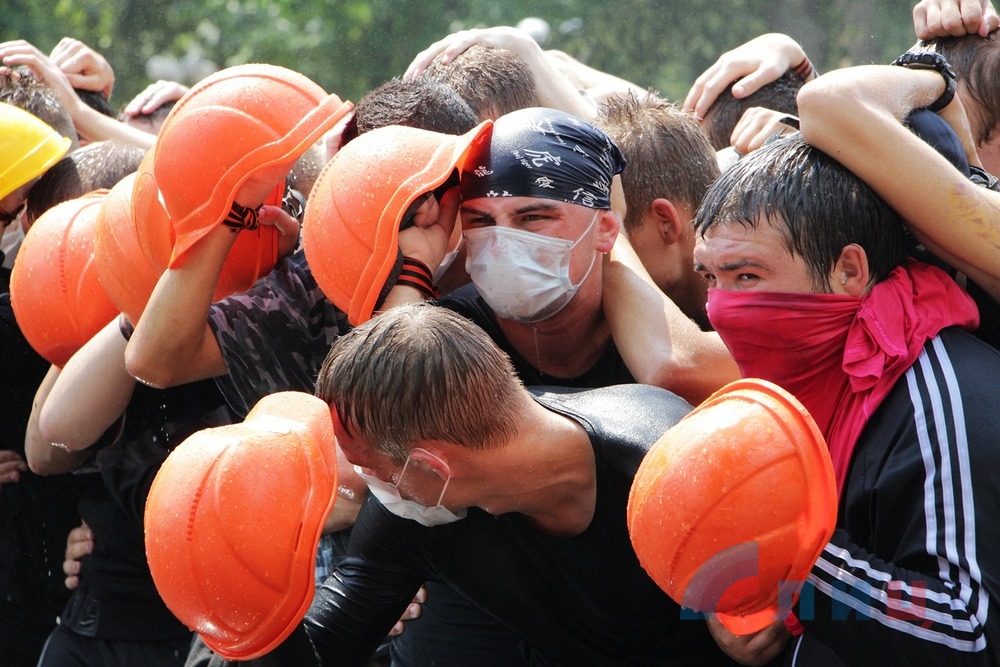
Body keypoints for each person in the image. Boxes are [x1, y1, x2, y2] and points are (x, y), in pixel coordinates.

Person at [209, 301, 734, 666]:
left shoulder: (667, 458)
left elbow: (801, 594)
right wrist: (252, 583)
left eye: (369, 468)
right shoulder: (416, 514)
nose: (368, 486)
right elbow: (323, 652)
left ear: (432, 469)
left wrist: (766, 613)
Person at [692, 133, 1000, 664]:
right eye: (710, 279)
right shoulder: (779, 389)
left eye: (747, 275)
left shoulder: (939, 395)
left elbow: (970, 632)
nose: (722, 309)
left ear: (849, 272)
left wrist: (790, 563)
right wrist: (744, 603)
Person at [595, 91, 721, 329]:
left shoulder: (762, 290)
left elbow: (681, 362)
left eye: (611, 229)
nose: (598, 254)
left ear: (666, 224)